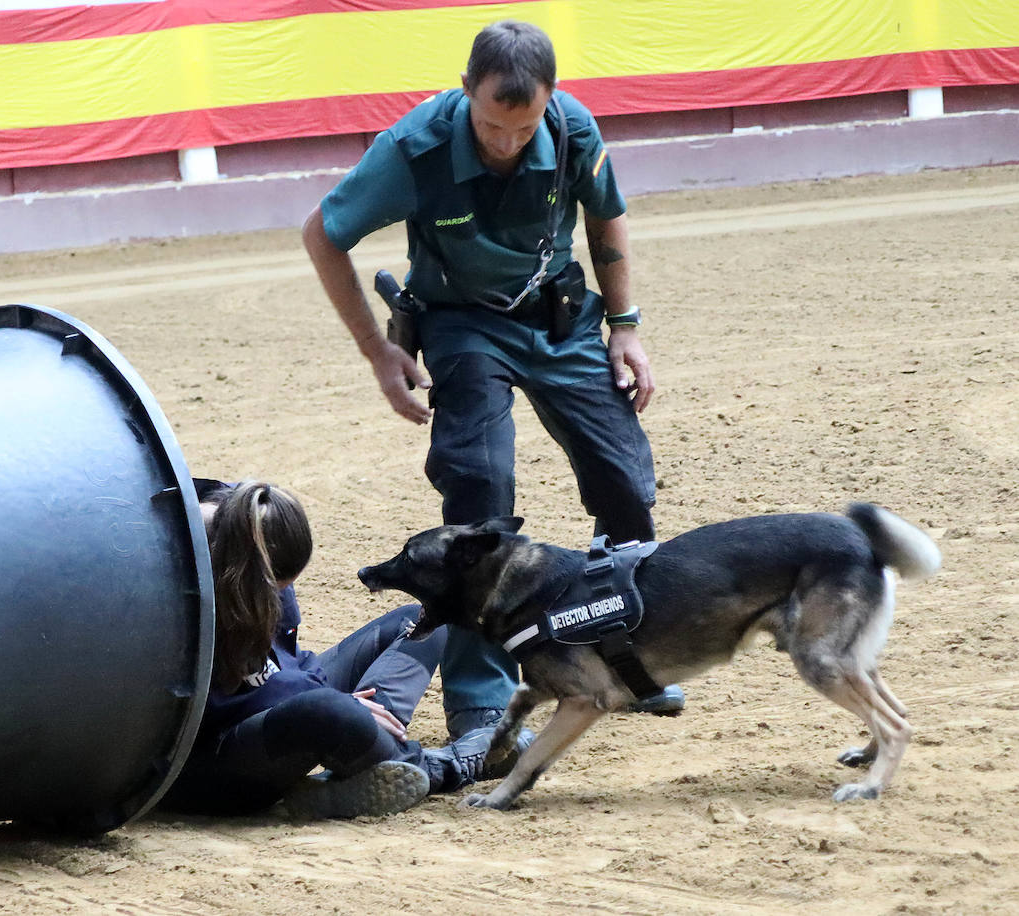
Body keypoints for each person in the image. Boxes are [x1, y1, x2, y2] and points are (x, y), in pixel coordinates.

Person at [301, 20, 684, 752]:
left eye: (524, 125)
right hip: (463, 325)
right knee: (478, 490)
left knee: (624, 486)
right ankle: (481, 710)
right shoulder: (413, 149)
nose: (506, 142)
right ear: (466, 88)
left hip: (562, 318)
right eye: (489, 125)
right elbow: (324, 233)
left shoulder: (571, 130)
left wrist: (625, 326)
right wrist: (378, 352)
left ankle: (629, 665)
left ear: (550, 102)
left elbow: (605, 215)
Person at [160, 479, 491, 820]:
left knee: (422, 622)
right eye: (275, 585)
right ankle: (441, 767)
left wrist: (338, 699)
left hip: (279, 693)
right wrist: (335, 702)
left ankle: (365, 755)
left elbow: (288, 657)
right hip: (216, 759)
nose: (282, 594)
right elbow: (221, 704)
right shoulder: (178, 592)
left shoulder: (246, 524)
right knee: (325, 709)